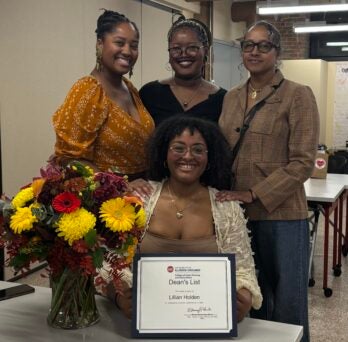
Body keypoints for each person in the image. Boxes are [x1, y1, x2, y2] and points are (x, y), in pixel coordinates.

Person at [97, 117, 262, 322]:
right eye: (178, 148)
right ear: (164, 155)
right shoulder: (139, 200)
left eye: (198, 150)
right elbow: (108, 263)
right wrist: (121, 296)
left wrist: (243, 296)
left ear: (210, 158)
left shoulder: (227, 209)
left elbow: (243, 271)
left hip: (204, 322)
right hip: (142, 321)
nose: (188, 156)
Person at [217, 21, 319, 342]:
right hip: (238, 218)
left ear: (277, 52)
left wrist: (253, 193)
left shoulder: (297, 96)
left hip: (282, 216)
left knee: (286, 302)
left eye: (263, 46)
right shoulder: (231, 97)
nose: (255, 52)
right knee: (248, 299)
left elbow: (302, 162)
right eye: (248, 45)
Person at [52, 9, 154, 180]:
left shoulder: (130, 88)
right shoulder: (88, 90)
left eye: (134, 45)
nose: (128, 51)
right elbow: (71, 159)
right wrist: (121, 185)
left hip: (141, 194)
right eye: (119, 43)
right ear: (100, 44)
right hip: (105, 198)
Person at [139, 16, 226, 126]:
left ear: (206, 51)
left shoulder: (223, 99)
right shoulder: (149, 94)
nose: (184, 54)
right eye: (176, 48)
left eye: (192, 47)